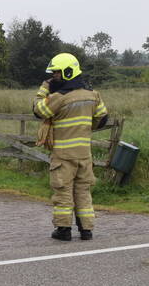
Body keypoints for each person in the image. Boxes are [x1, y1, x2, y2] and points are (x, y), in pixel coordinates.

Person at [33, 53, 109, 241]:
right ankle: (86, 230)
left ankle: (63, 230)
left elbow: (38, 110)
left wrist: (43, 90)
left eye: (57, 73)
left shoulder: (59, 97)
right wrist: (84, 128)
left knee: (63, 192)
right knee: (83, 192)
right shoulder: (93, 95)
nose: (54, 77)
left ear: (68, 72)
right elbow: (102, 118)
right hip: (84, 155)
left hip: (63, 156)